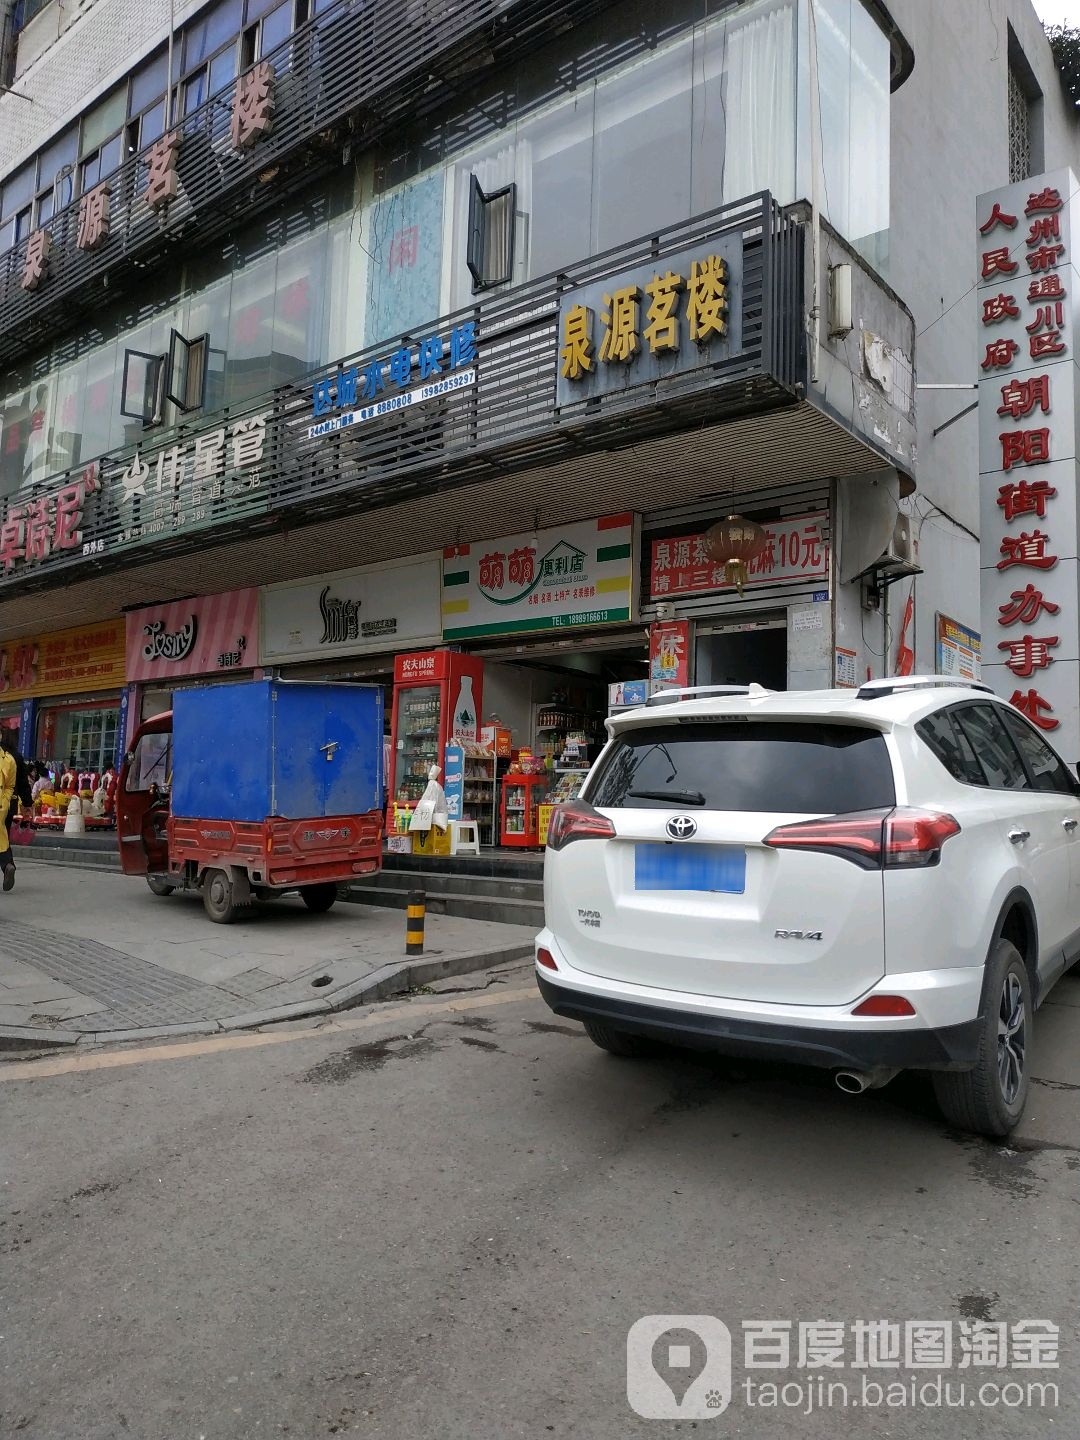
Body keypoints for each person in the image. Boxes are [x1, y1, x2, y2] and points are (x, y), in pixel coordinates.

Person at [0, 728, 25, 892]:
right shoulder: (10, 758)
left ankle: (8, 865)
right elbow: (14, 785)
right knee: (2, 839)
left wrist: (5, 799)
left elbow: (10, 785)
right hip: (3, 806)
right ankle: (8, 865)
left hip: (2, 804)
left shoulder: (9, 759)